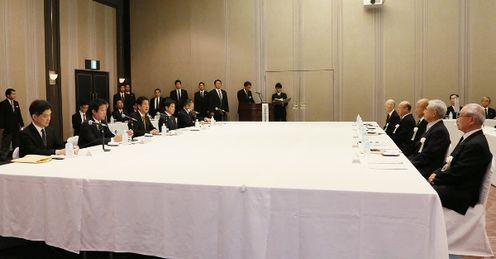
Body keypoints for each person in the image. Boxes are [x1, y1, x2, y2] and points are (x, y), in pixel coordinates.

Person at [429, 103, 492, 216]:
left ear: (471, 120)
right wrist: (436, 172)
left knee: (425, 193)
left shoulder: (475, 144)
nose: (457, 119)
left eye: (460, 116)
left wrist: (436, 178)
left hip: (461, 194)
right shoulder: (469, 138)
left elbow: (459, 174)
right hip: (455, 185)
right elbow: (450, 163)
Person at [408, 99, 451, 179]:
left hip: (426, 169)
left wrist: (409, 163)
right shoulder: (432, 127)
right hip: (421, 164)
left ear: (434, 113)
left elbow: (428, 155)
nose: (424, 112)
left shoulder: (439, 131)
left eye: (426, 109)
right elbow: (419, 150)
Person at [0, 88, 24, 161]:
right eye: (13, 94)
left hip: (16, 126)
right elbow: (1, 116)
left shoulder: (16, 103)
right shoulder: (3, 104)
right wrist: (1, 126)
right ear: (8, 95)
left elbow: (19, 114)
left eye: (15, 94)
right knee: (6, 142)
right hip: (7, 127)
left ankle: (15, 156)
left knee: (16, 142)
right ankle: (3, 157)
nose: (14, 95)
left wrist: (22, 124)